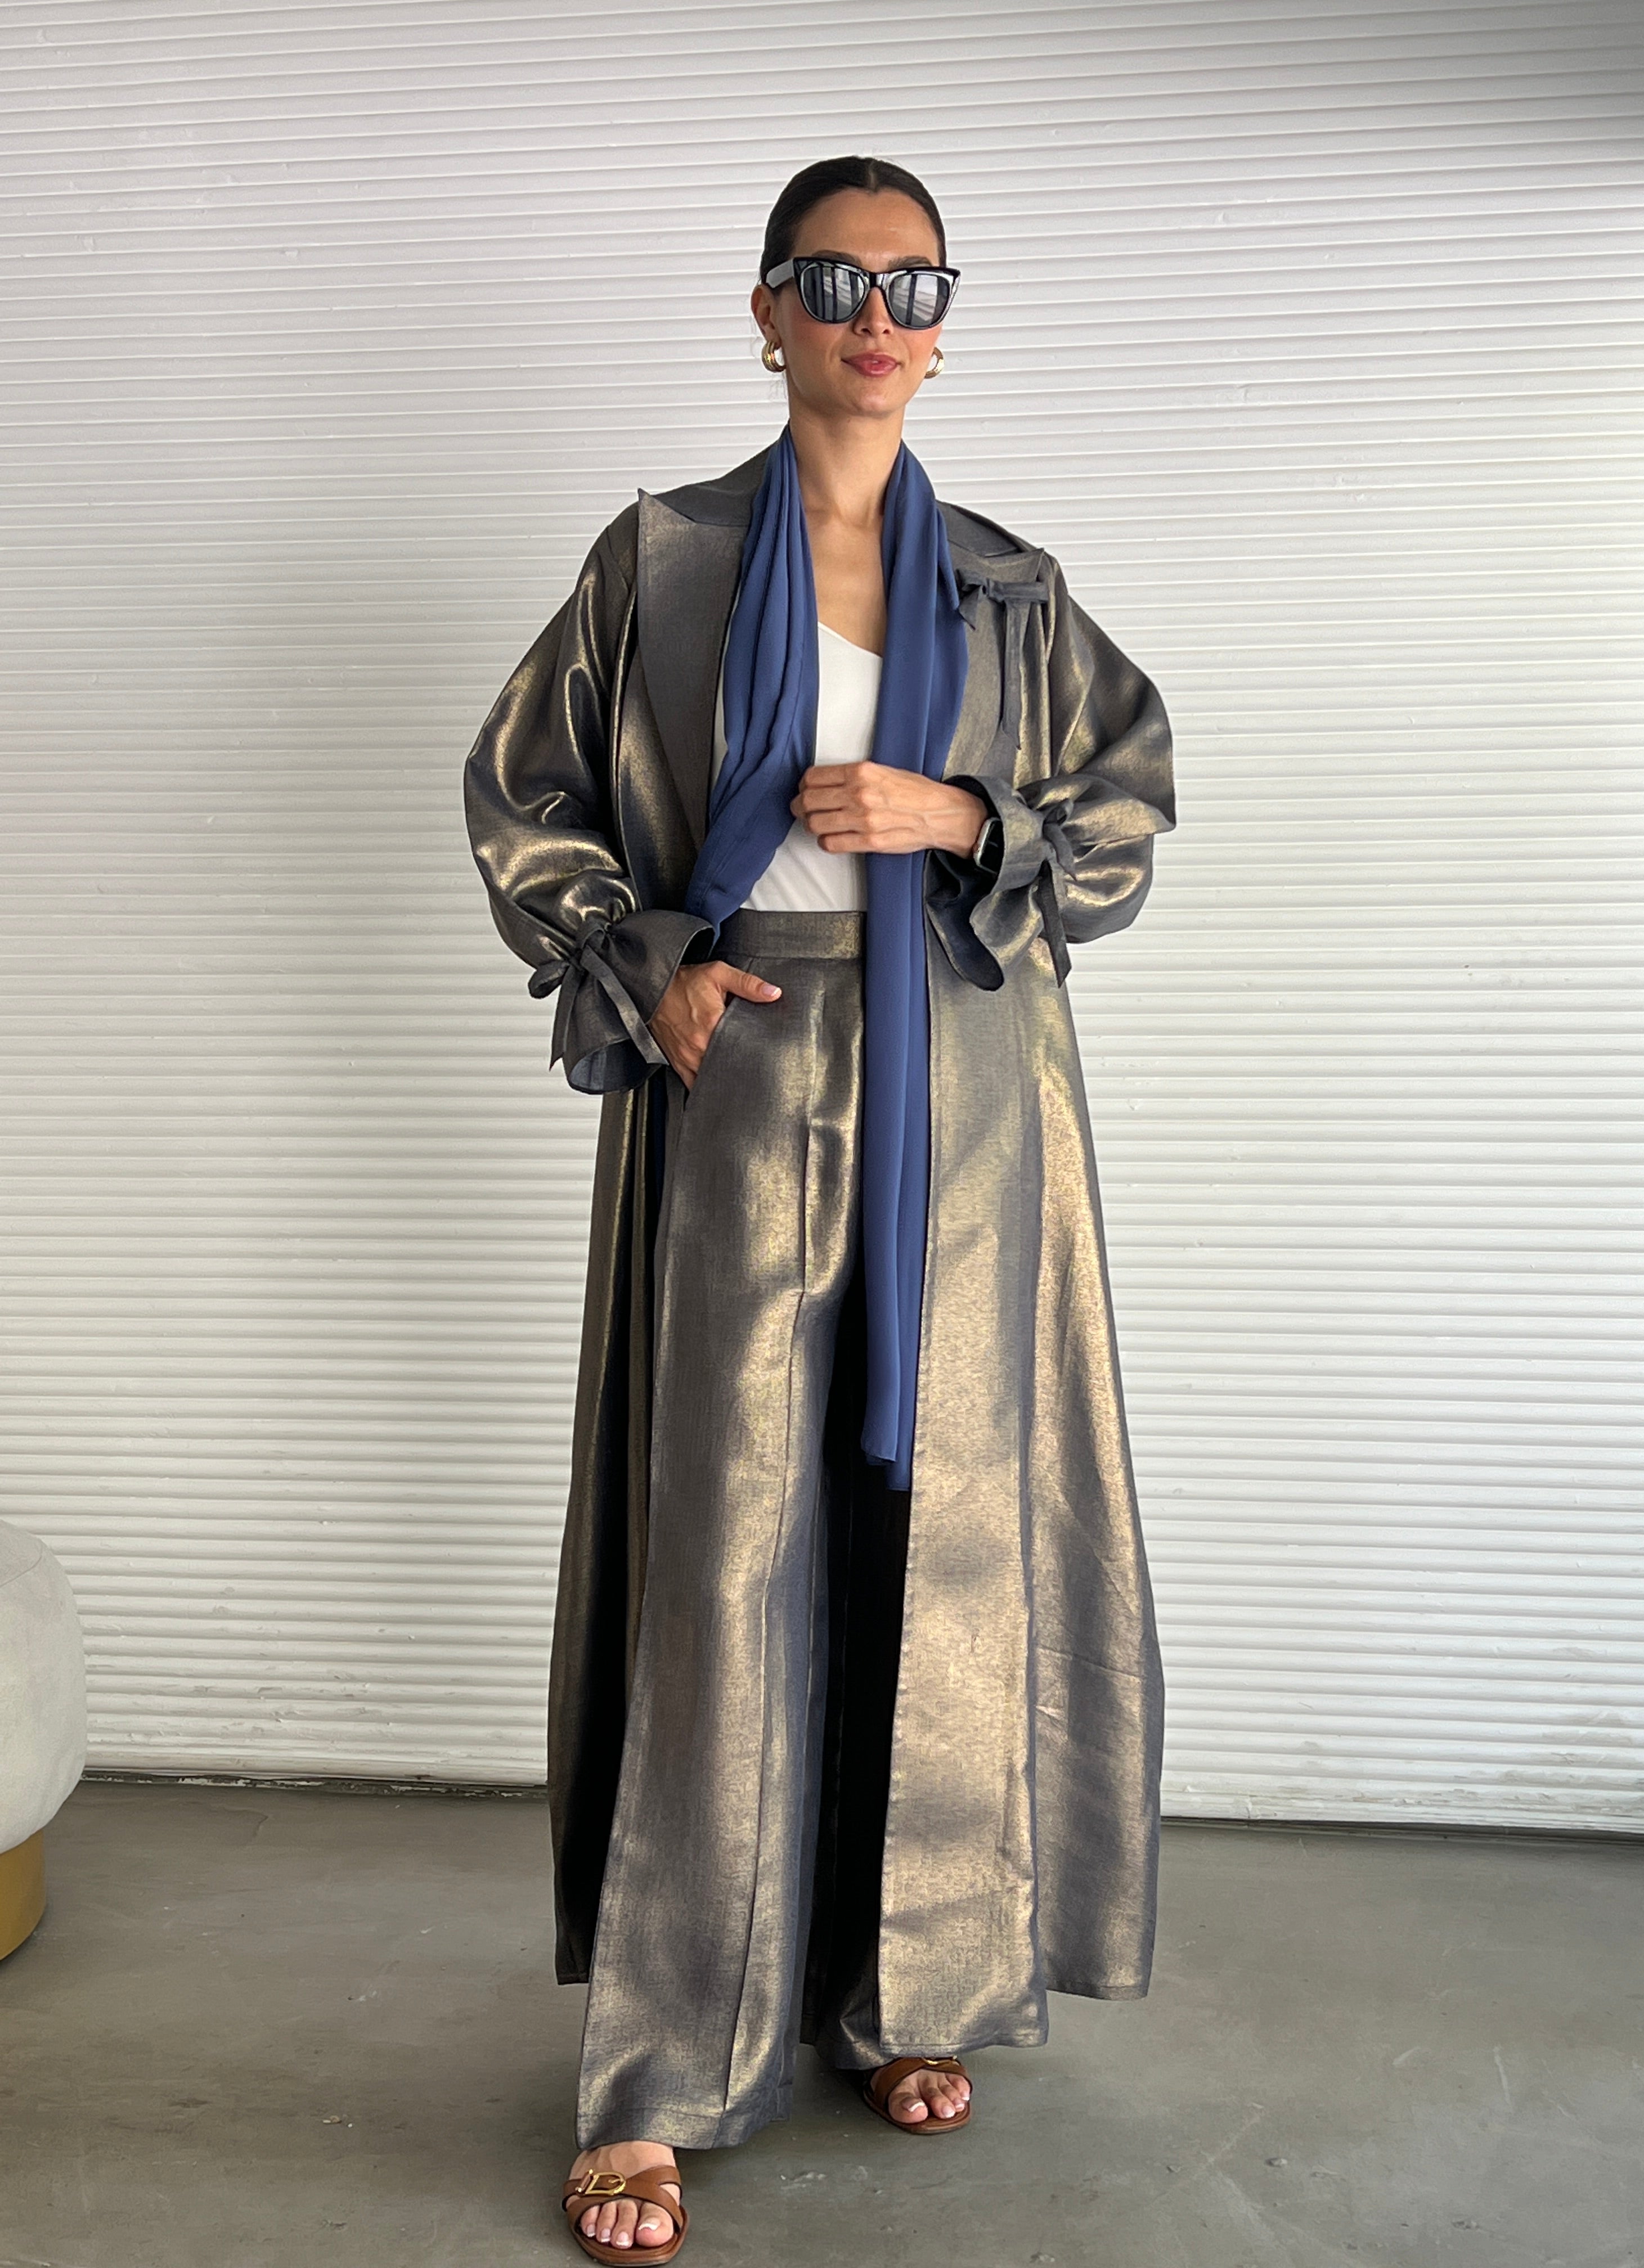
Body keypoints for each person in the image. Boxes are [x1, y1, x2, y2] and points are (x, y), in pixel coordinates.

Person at [463, 154, 1176, 2262]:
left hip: (969, 1085)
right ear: (766, 310)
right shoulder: (665, 564)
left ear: (943, 329)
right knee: (726, 1544)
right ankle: (663, 2071)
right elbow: (524, 794)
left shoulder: (1011, 589)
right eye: (833, 278)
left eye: (912, 284)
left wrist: (960, 811)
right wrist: (651, 963)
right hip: (749, 1055)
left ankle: (901, 1991)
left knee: (942, 1524)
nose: (875, 315)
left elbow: (1126, 810)